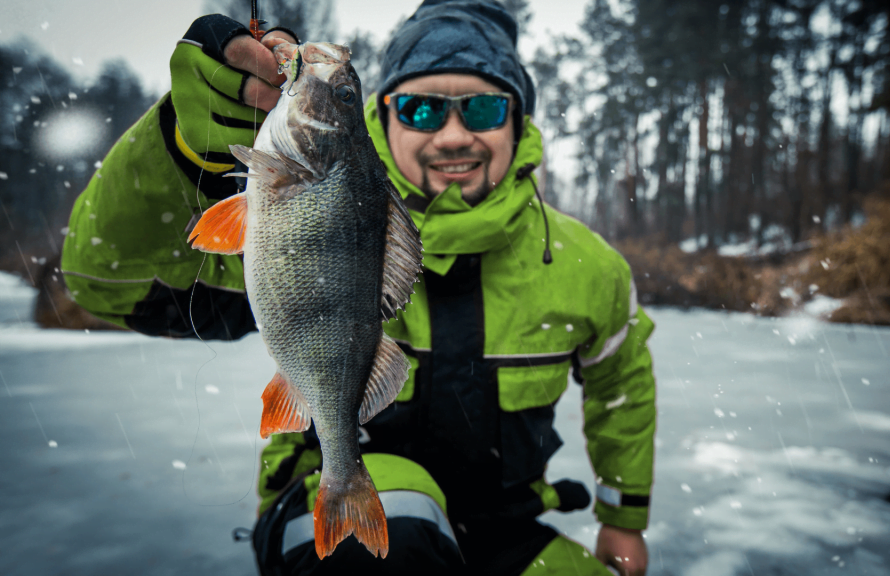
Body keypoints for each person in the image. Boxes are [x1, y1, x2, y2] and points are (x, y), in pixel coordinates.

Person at [60, 1, 656, 574]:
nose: (452, 136)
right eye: (422, 110)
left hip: (506, 529)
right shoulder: (299, 209)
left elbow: (621, 385)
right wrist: (180, 150)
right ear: (383, 117)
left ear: (518, 121)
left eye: (481, 110)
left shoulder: (589, 266)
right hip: (344, 503)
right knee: (394, 543)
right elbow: (104, 281)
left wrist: (624, 518)